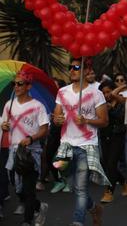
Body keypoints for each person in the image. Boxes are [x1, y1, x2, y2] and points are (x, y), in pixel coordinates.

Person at [53, 58, 109, 226]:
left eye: (76, 67)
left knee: (81, 188)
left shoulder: (96, 93)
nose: (72, 70)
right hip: (66, 144)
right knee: (73, 185)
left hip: (87, 144)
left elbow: (104, 121)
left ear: (86, 70)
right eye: (70, 67)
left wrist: (86, 121)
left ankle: (78, 221)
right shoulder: (62, 92)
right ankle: (94, 208)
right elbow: (56, 117)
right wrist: (58, 119)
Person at [1, 71, 49, 225]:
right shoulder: (9, 104)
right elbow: (3, 124)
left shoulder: (37, 106)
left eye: (20, 83)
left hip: (31, 153)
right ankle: (39, 206)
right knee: (17, 188)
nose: (16, 86)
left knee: (28, 189)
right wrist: (4, 125)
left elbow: (44, 128)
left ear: (28, 86)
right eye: (14, 84)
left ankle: (27, 221)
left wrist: (31, 138)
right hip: (13, 152)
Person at [98, 81, 127, 204]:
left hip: (118, 135)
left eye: (108, 91)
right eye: (103, 93)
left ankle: (109, 192)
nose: (106, 95)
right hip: (105, 136)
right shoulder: (101, 104)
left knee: (111, 163)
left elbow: (122, 117)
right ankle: (124, 181)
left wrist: (112, 108)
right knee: (105, 164)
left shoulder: (121, 101)